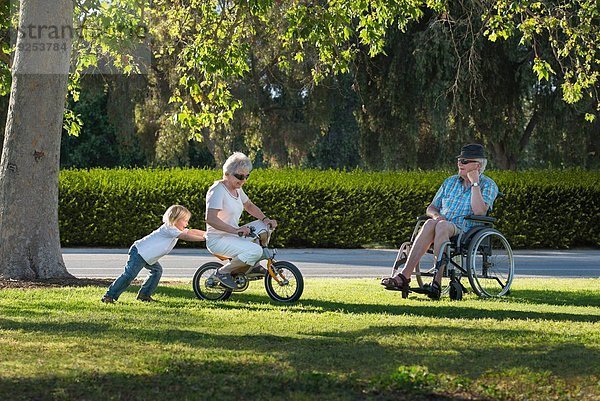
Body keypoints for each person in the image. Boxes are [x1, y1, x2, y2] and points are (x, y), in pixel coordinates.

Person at [381, 144, 499, 299]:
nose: (459, 163)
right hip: (440, 225)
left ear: (477, 165)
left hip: (466, 230)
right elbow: (431, 208)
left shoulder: (488, 185)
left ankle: (436, 282)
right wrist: (436, 216)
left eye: (464, 161)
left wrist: (475, 183)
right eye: (459, 160)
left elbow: (479, 211)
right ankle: (404, 276)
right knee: (430, 222)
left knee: (441, 225)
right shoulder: (450, 182)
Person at [101, 205, 205, 303]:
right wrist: (205, 238)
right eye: (185, 221)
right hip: (139, 253)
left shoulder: (175, 229)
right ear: (175, 219)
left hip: (148, 257)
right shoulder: (169, 229)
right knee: (129, 275)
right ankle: (109, 296)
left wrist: (207, 233)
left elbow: (191, 232)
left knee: (156, 271)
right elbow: (186, 236)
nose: (187, 223)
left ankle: (144, 295)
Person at [205, 152, 277, 288]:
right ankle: (222, 273)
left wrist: (266, 219)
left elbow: (249, 205)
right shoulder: (217, 190)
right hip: (218, 239)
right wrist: (236, 230)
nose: (243, 180)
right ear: (227, 173)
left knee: (264, 227)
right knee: (255, 251)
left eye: (246, 176)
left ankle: (254, 265)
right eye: (239, 176)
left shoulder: (237, 189)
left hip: (233, 235)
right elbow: (210, 219)